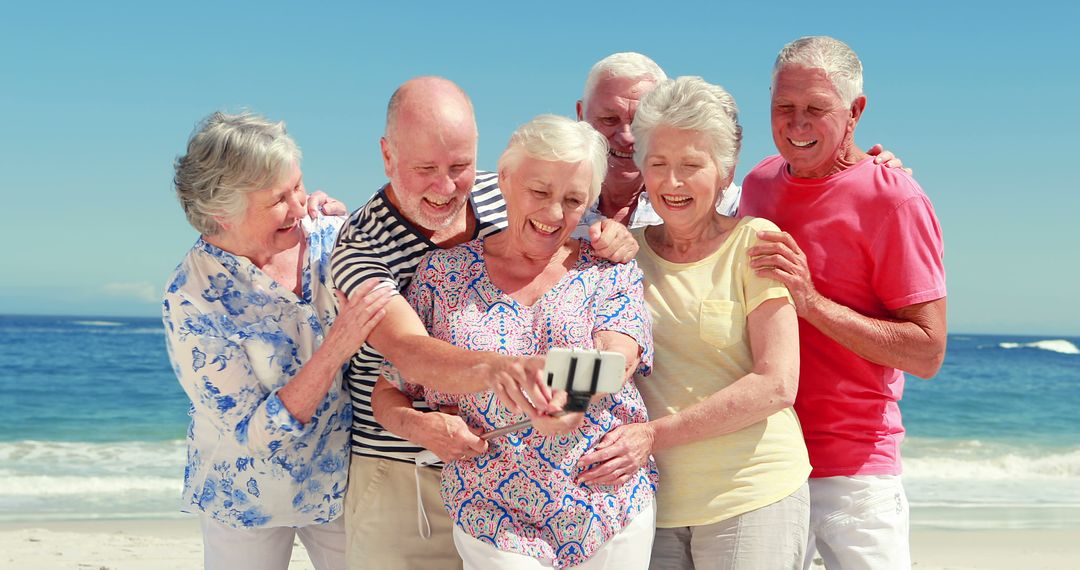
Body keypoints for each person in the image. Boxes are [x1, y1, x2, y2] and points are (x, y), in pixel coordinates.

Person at [329, 77, 639, 569]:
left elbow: (564, 216)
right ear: (388, 156)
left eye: (460, 167)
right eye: (425, 169)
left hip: (555, 496)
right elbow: (407, 352)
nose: (446, 187)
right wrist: (495, 375)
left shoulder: (508, 194)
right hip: (398, 468)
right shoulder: (360, 248)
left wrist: (612, 234)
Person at [580, 76, 811, 568]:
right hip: (647, 504)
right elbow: (589, 365)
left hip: (751, 492)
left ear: (725, 172)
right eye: (658, 164)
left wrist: (653, 436)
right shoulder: (622, 255)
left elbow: (777, 384)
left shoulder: (755, 242)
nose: (672, 182)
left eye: (691, 165)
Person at [740, 36, 947, 569]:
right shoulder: (757, 185)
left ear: (855, 111)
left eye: (816, 109)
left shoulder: (895, 198)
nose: (797, 124)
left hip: (856, 475)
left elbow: (927, 352)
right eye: (784, 108)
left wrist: (812, 303)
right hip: (763, 460)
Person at [162, 112, 393, 569]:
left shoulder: (329, 238)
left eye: (298, 186)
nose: (299, 206)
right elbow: (254, 434)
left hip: (339, 477)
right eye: (277, 200)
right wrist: (334, 349)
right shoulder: (191, 298)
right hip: (245, 496)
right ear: (219, 215)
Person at [573, 52, 741, 233]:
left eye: (639, 122)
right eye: (609, 119)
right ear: (581, 114)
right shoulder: (547, 196)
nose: (627, 136)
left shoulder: (723, 202)